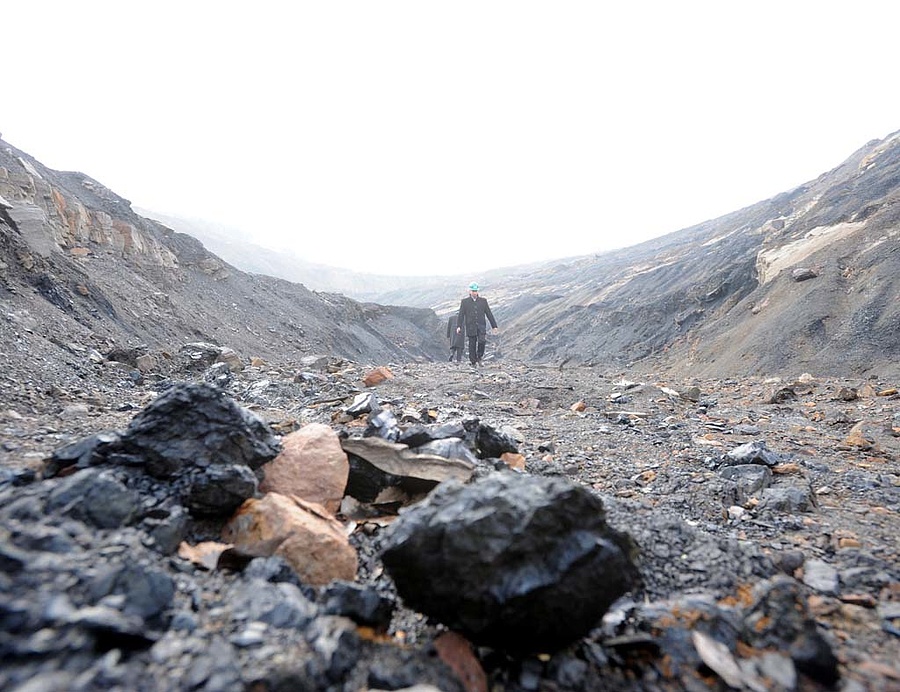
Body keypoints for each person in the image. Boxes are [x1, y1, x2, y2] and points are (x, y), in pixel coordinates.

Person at [456, 282, 498, 366]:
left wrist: (494, 326)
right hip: (470, 326)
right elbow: (461, 315)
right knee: (472, 344)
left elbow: (489, 313)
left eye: (475, 291)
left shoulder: (483, 301)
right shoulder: (465, 302)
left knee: (482, 341)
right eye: (473, 291)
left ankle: (479, 357)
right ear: (470, 291)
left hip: (481, 326)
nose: (474, 292)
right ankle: (473, 361)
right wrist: (459, 326)